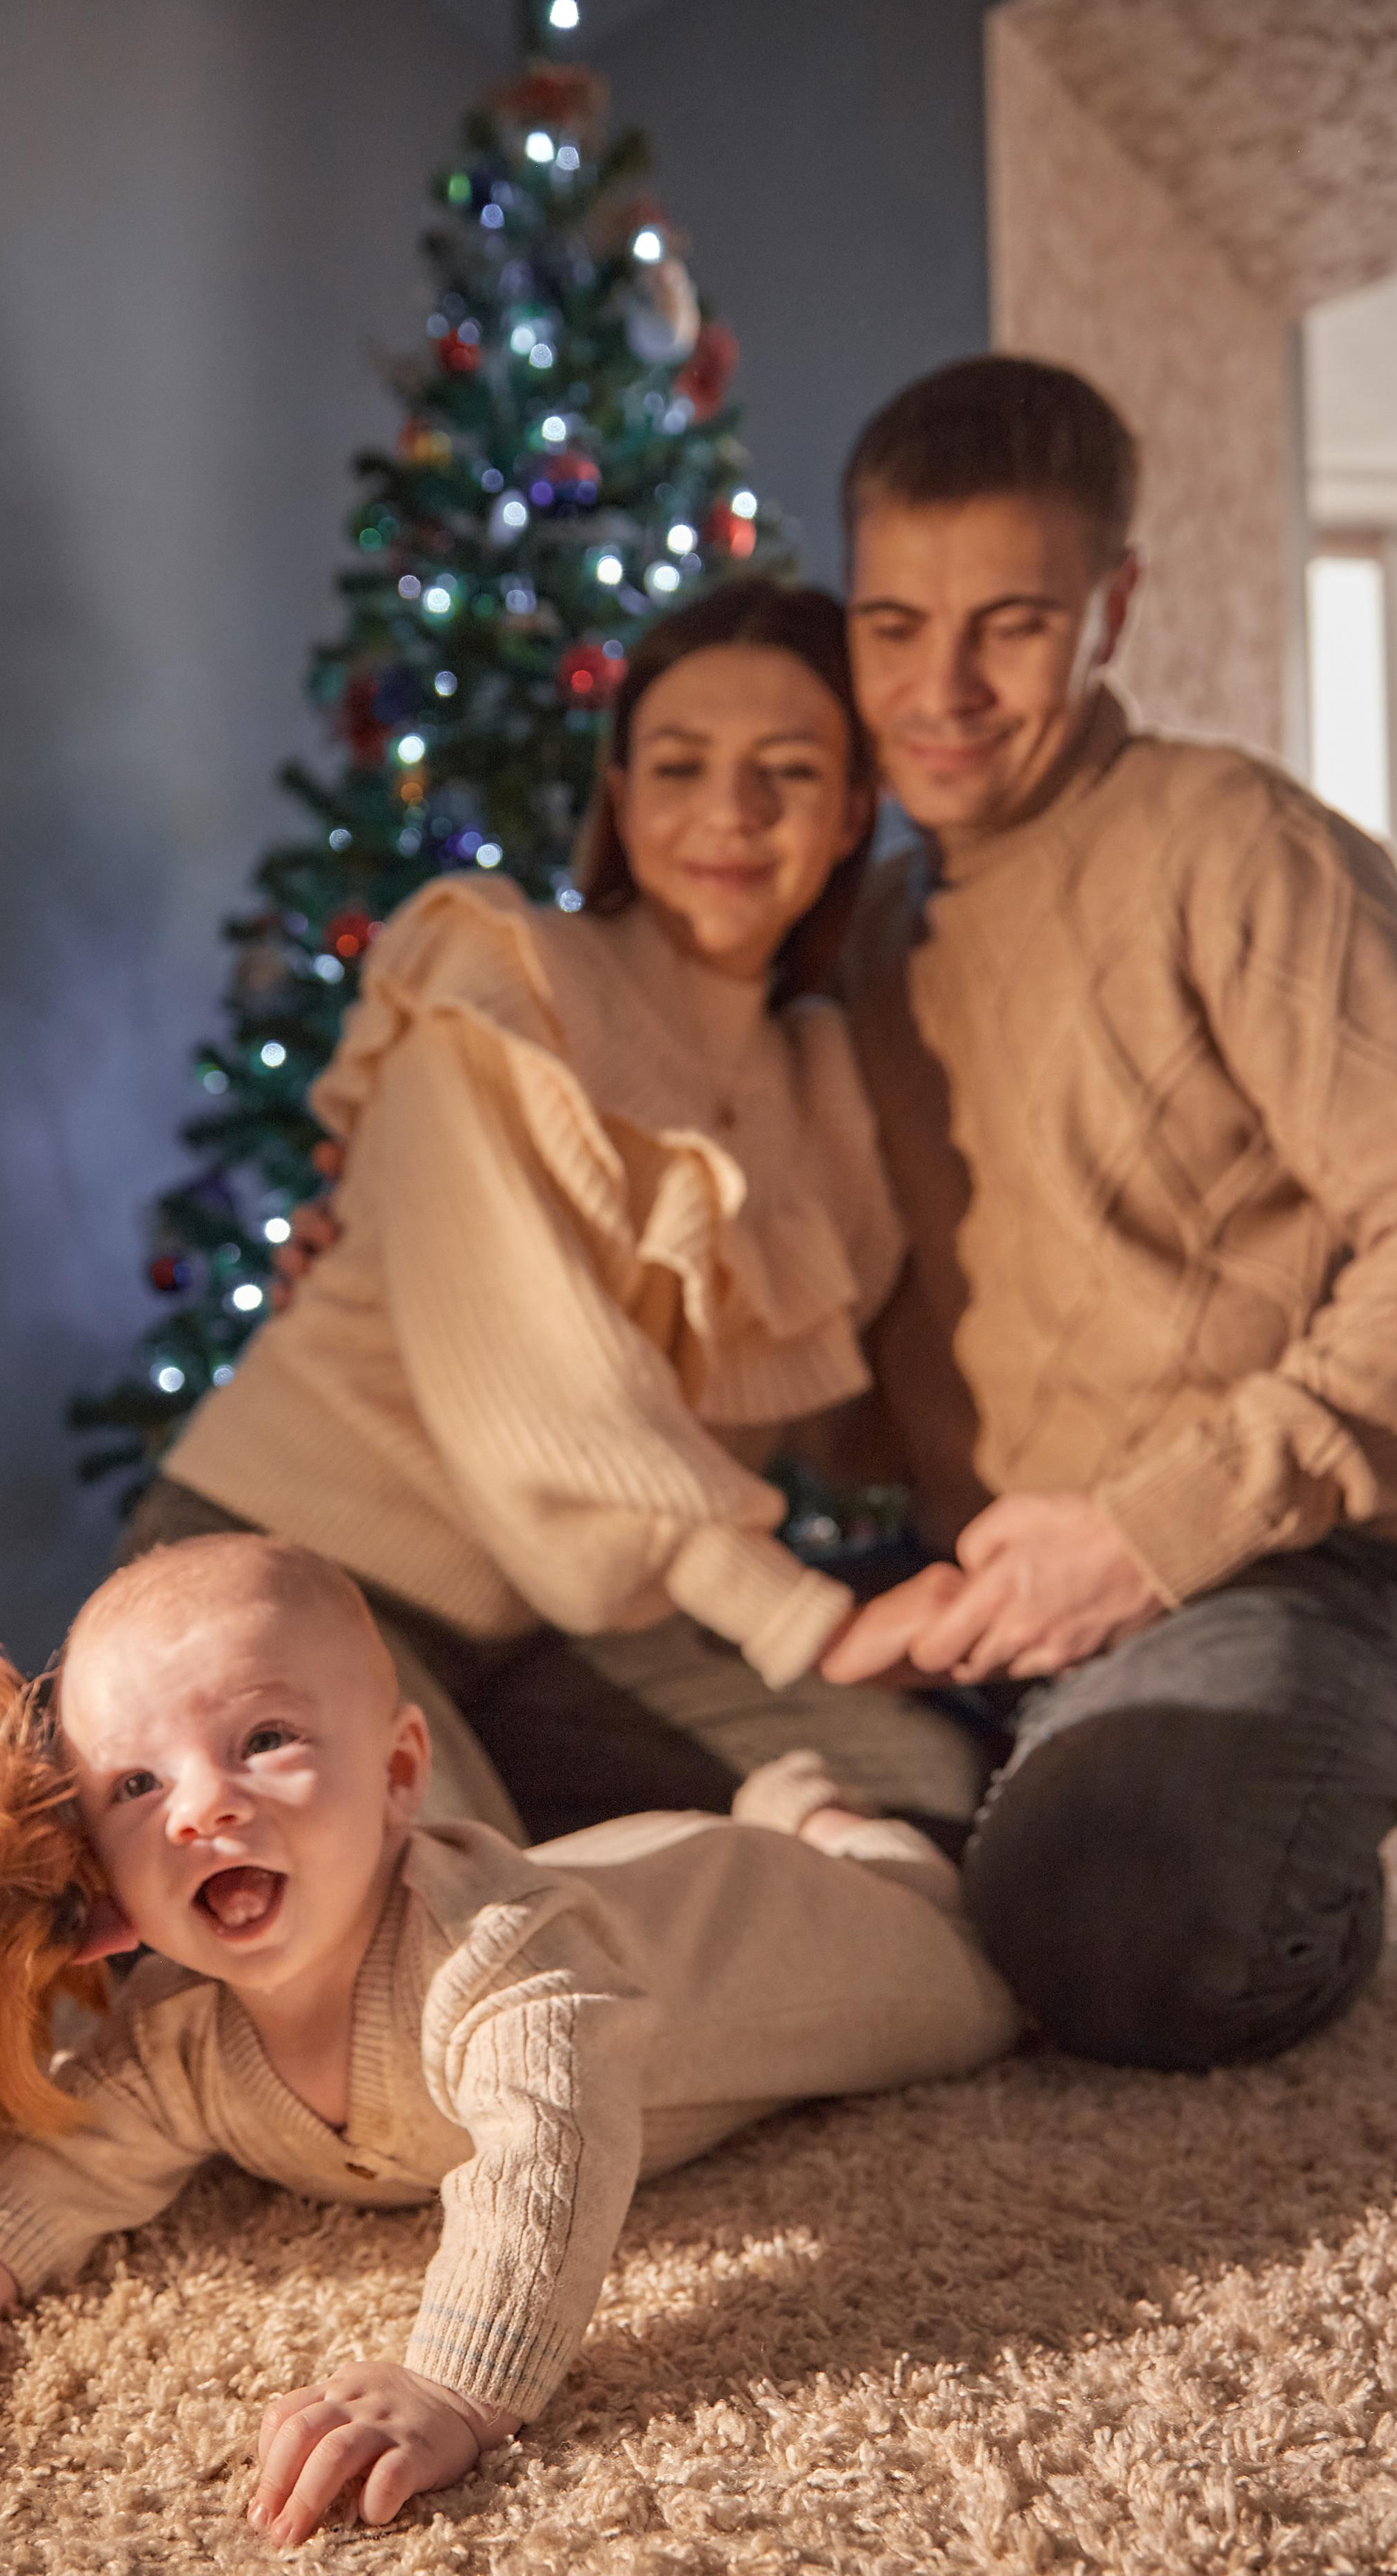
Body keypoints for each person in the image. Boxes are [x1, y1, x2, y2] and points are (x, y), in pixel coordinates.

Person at [0, 1534, 1019, 2538]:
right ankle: (785, 1810)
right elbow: (64, 2147)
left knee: (962, 1973)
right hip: (602, 1875)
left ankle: (827, 1822)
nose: (203, 1808)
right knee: (609, 1864)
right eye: (138, 1785)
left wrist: (460, 2384)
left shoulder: (503, 1966)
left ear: (402, 1773)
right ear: (102, 1871)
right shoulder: (181, 2028)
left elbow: (545, 2158)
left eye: (265, 1741)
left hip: (762, 1929)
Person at [808, 354, 1397, 2071]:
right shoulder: (862, 930)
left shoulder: (1234, 847)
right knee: (532, 1718)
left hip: (1283, 1556)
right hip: (978, 1582)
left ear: (1112, 607)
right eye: (890, 625)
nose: (938, 688)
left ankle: (1221, 1816)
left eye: (1008, 622)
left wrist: (1147, 1528)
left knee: (1127, 1927)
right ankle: (991, 1791)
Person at [122, 579, 981, 1848]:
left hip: (547, 1624)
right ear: (622, 800)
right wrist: (813, 1622)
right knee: (418, 1927)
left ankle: (589, 1887)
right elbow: (548, 1405)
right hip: (289, 1566)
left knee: (920, 1793)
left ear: (855, 809)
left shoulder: (831, 1092)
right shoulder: (499, 985)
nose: (730, 816)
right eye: (680, 767)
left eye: (788, 774)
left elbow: (825, 1409)